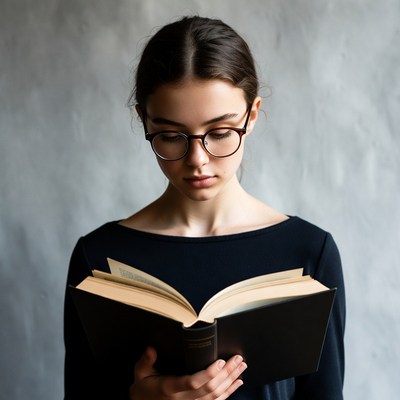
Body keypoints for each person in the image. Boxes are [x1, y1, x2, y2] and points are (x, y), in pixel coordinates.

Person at [64, 16, 345, 400]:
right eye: (170, 135)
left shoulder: (310, 253)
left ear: (253, 114)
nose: (197, 159)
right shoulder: (98, 258)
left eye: (221, 132)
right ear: (143, 120)